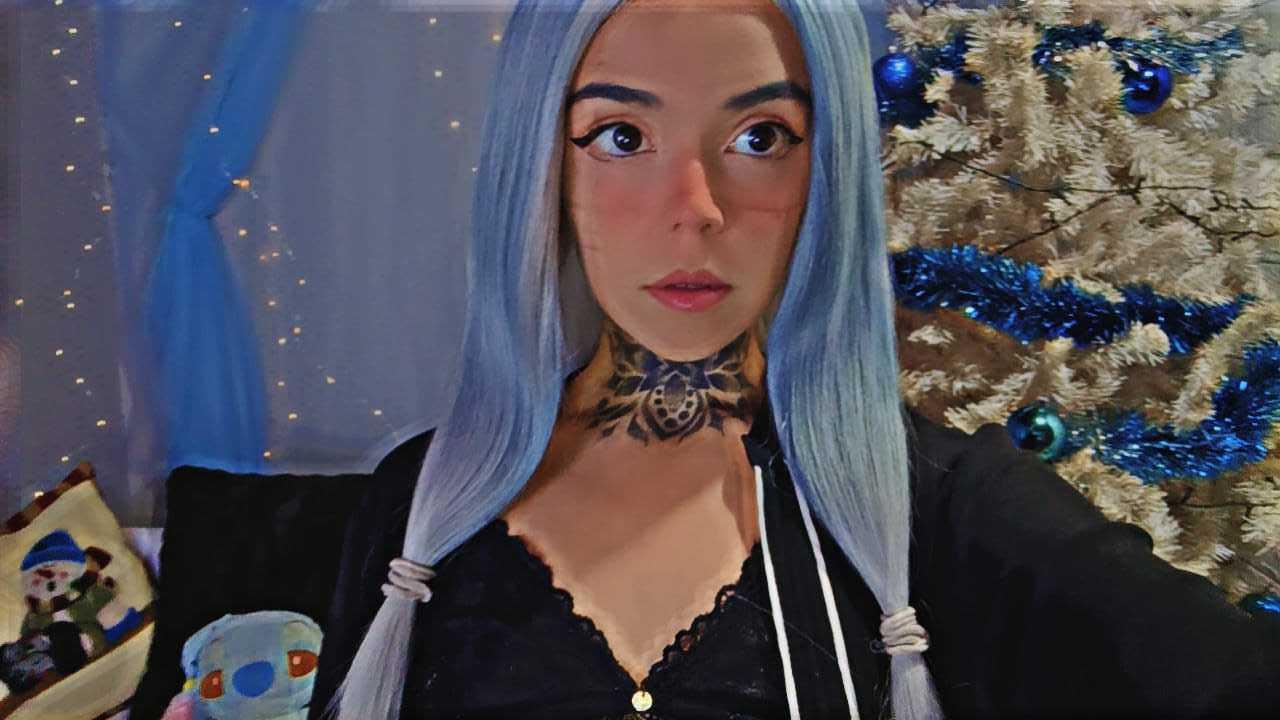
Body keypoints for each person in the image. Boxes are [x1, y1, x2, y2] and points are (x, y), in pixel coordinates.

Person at [309, 1, 1280, 719]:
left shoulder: (941, 509)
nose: (695, 208)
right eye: (621, 136)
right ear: (544, 167)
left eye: (760, 137)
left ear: (828, 169)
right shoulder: (421, 508)